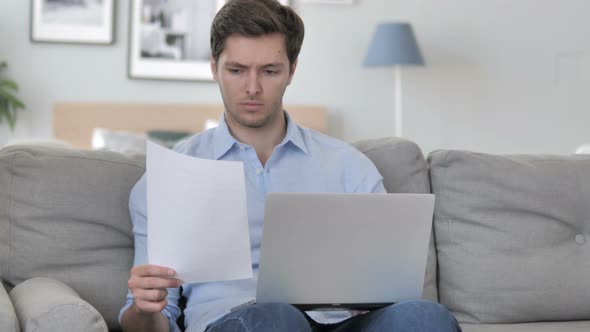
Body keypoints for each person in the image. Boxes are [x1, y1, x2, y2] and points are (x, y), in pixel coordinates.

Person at [119, 0, 462, 331]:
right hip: (242, 321)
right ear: (214, 68)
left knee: (424, 316)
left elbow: (391, 290)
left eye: (269, 71)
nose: (252, 88)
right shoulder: (173, 174)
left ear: (292, 70)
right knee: (275, 317)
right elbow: (149, 325)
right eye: (237, 70)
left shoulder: (348, 166)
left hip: (344, 323)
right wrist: (143, 307)